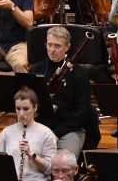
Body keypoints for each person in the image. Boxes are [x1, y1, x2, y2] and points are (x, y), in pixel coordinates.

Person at [28, 25, 90, 155]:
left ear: (67, 47)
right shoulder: (35, 70)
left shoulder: (79, 73)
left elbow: (81, 112)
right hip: (41, 126)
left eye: (57, 46)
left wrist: (56, 133)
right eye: (49, 45)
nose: (52, 50)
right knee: (28, 156)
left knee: (63, 162)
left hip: (69, 128)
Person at [0, 88, 58, 181]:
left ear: (35, 108)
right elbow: (0, 167)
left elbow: (50, 169)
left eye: (26, 109)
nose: (21, 114)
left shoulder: (47, 133)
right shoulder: (5, 133)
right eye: (18, 109)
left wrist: (32, 155)